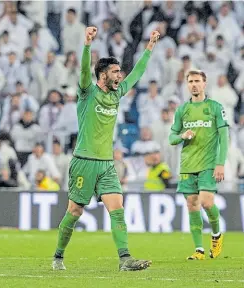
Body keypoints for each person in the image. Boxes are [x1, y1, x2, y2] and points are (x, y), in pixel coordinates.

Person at [52, 27, 160, 271]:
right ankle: (58, 256)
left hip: (106, 164)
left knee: (117, 209)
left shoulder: (118, 93)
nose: (120, 75)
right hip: (84, 161)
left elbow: (138, 72)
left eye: (119, 71)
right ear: (102, 75)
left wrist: (150, 46)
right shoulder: (87, 92)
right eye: (114, 71)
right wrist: (87, 44)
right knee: (75, 211)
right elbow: (82, 71)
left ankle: (125, 259)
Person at [169, 70, 228, 260]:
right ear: (187, 85)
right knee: (192, 205)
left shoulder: (215, 107)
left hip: (208, 164)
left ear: (204, 83)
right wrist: (181, 136)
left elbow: (224, 138)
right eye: (190, 81)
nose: (194, 84)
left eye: (197, 81)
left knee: (206, 202)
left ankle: (217, 234)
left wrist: (220, 164)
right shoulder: (182, 110)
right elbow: (171, 138)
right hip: (187, 165)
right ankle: (199, 250)